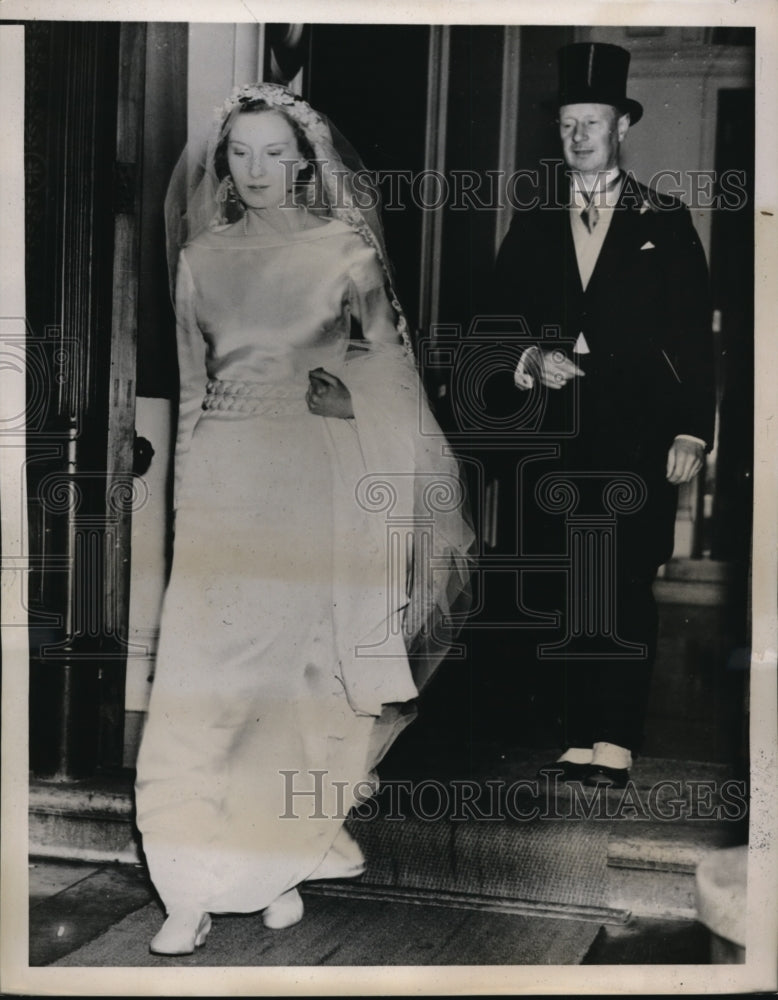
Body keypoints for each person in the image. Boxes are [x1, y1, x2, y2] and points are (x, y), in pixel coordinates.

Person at [134, 82, 473, 956]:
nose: (255, 170)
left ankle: (278, 860)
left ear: (302, 160)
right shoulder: (199, 257)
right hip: (220, 490)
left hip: (313, 483)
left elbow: (393, 375)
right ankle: (187, 886)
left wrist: (341, 393)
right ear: (223, 163)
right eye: (240, 154)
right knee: (201, 687)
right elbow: (193, 387)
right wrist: (186, 506)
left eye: (273, 153)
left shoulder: (342, 252)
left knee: (294, 684)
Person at [490, 43, 714, 787]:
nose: (579, 135)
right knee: (566, 579)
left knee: (620, 578)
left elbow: (693, 334)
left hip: (636, 430)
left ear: (622, 125)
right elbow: (493, 323)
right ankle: (578, 735)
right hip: (557, 432)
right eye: (567, 124)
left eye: (594, 121)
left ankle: (615, 738)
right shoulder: (532, 222)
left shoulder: (666, 218)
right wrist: (528, 358)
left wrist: (692, 427)